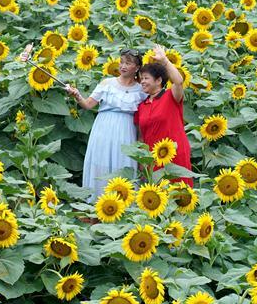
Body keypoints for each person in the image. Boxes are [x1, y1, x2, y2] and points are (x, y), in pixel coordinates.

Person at [64, 49, 146, 202]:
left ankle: (123, 206)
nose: (123, 66)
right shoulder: (107, 83)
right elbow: (88, 104)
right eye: (121, 62)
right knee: (100, 161)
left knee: (123, 163)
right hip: (103, 127)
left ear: (137, 67)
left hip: (126, 130)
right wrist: (76, 95)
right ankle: (97, 205)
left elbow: (146, 113)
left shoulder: (141, 89)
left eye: (128, 63)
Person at [134, 44, 193, 187]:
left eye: (146, 78)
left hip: (175, 154)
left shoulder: (170, 97)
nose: (142, 82)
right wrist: (142, 162)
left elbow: (178, 81)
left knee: (179, 193)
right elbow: (141, 137)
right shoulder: (142, 106)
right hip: (153, 159)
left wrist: (164, 60)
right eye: (141, 79)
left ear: (159, 80)